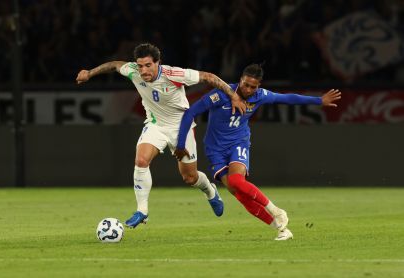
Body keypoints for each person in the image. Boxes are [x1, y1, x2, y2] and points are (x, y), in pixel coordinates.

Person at [76, 43, 247, 228]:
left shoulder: (173, 74)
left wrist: (233, 96)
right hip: (156, 125)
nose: (143, 70)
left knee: (190, 178)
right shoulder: (132, 71)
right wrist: (89, 72)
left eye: (148, 65)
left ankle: (210, 191)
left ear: (158, 63)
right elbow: (115, 65)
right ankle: (142, 211)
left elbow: (208, 77)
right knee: (141, 161)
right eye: (140, 65)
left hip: (182, 127)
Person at [174, 63, 341, 240]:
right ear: (240, 80)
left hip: (239, 142)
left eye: (253, 86)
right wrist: (181, 143)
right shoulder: (221, 94)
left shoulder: (260, 96)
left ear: (258, 86)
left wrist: (319, 101)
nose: (248, 89)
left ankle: (276, 211)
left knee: (237, 181)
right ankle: (281, 229)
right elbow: (191, 112)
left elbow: (287, 98)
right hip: (215, 149)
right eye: (246, 84)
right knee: (238, 193)